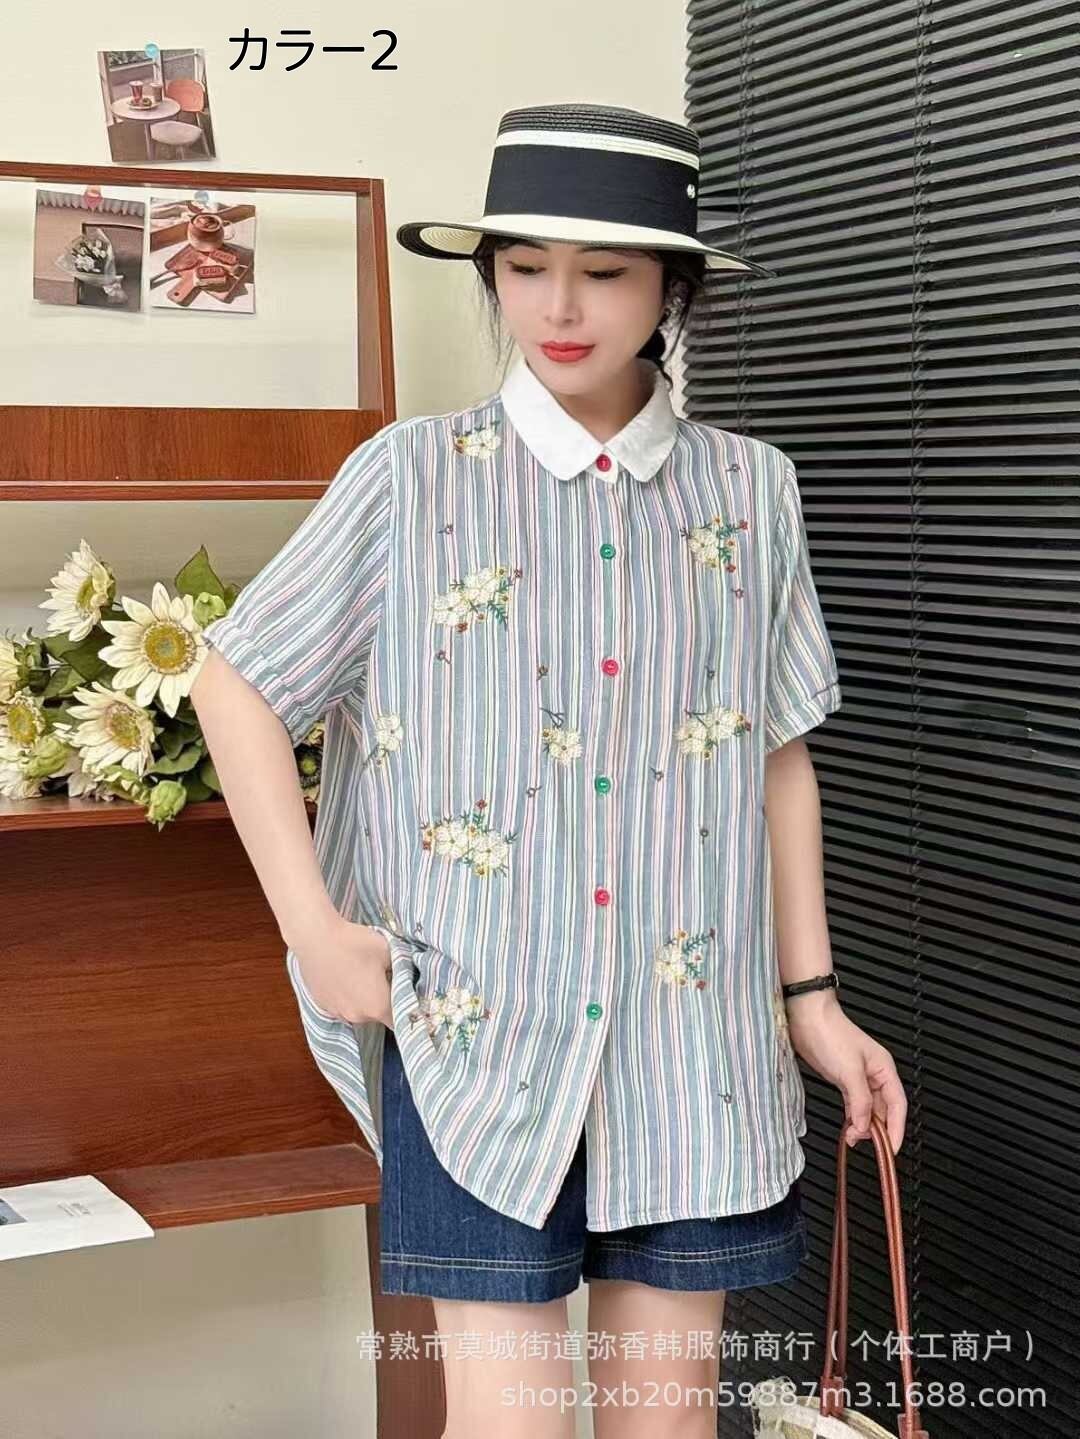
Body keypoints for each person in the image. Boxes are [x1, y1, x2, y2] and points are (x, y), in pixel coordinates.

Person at [192, 102, 907, 1439]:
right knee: (507, 1425)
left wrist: (812, 998)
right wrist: (316, 934)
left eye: (606, 271)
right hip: (476, 1036)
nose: (559, 307)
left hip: (696, 1049)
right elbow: (234, 684)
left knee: (666, 1422)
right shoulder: (409, 479)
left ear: (672, 288)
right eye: (524, 267)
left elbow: (775, 754)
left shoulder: (754, 492)